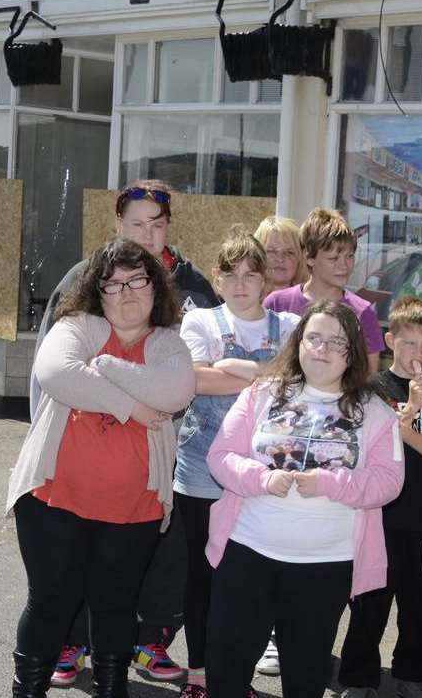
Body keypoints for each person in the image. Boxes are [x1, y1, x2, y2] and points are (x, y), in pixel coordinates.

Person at [32, 180, 218, 687]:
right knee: (75, 560)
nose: (147, 235)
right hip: (81, 447)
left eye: (156, 225)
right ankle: (71, 643)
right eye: (136, 224)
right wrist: (131, 404)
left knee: (152, 562)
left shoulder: (195, 288)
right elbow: (50, 371)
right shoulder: (86, 278)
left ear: (168, 228)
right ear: (119, 225)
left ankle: (149, 640)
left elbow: (189, 376)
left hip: (167, 451)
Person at [6, 238, 196, 698]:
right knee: (51, 604)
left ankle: (113, 689)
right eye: (113, 284)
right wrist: (132, 405)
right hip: (53, 500)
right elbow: (55, 372)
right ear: (97, 291)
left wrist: (105, 366)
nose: (127, 292)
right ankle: (26, 691)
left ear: (156, 287)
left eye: (137, 280)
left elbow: (175, 393)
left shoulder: (170, 341)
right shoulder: (77, 326)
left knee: (115, 608)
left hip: (134, 509)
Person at [203, 300, 403, 698]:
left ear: (353, 354)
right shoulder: (260, 394)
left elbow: (389, 482)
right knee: (225, 673)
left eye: (336, 342)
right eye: (314, 338)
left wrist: (332, 483)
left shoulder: (377, 412)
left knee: (305, 679)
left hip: (324, 567)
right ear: (298, 343)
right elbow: (220, 457)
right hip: (248, 554)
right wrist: (261, 477)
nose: (322, 349)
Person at [173, 228, 300, 698]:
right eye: (232, 274)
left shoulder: (287, 327)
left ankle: (235, 678)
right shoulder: (200, 322)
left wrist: (232, 369)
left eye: (252, 274)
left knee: (250, 581)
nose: (242, 283)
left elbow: (295, 386)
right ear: (219, 279)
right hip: (203, 470)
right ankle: (200, 676)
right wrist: (265, 375)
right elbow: (192, 382)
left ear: (265, 279)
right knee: (203, 576)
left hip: (263, 473)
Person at [337, 296, 422, 698]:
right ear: (391, 339)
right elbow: (371, 440)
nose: (419, 353)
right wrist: (410, 408)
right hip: (380, 514)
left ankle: (413, 672)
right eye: (410, 342)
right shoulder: (373, 388)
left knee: (420, 601)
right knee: (370, 601)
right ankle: (358, 678)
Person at [263, 208, 384, 374]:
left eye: (350, 256)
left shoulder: (363, 312)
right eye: (333, 258)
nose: (344, 265)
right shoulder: (276, 303)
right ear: (309, 257)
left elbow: (368, 377)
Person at [253, 215, 306, 299]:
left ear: (300, 259)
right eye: (271, 251)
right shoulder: (242, 300)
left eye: (289, 252)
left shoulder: (311, 304)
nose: (280, 259)